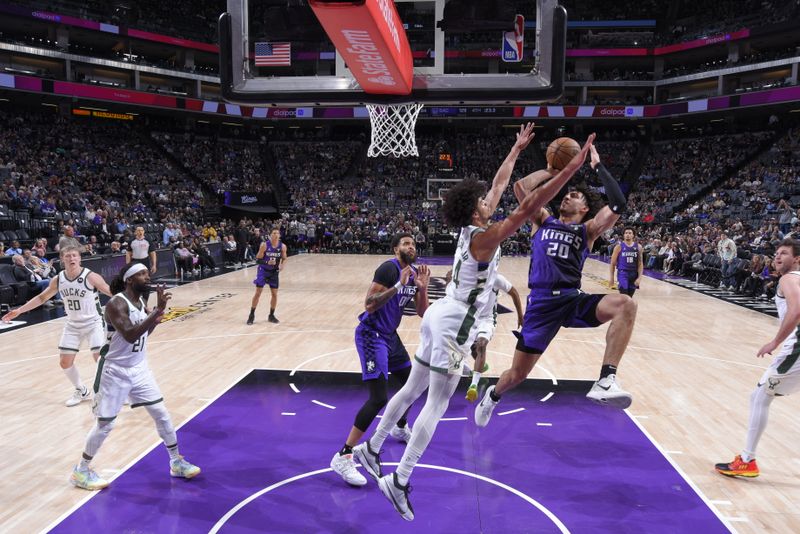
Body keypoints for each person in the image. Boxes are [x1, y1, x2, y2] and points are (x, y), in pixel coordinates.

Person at [358, 124, 586, 521]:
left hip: (443, 315)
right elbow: (525, 209)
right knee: (436, 403)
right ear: (475, 210)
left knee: (413, 387)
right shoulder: (484, 239)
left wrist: (515, 149)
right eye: (482, 200)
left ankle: (372, 446)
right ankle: (399, 480)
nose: (488, 200)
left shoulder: (472, 228)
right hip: (454, 322)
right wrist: (569, 170)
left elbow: (500, 185)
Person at [475, 141, 638, 432]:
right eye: (566, 194)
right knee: (517, 375)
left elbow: (618, 204)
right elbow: (520, 189)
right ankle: (493, 395)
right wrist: (550, 170)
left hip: (571, 298)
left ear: (585, 208)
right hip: (541, 304)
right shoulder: (543, 220)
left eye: (574, 196)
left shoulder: (588, 230)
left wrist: (597, 165)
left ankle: (606, 378)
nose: (567, 197)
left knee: (626, 304)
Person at [69, 263, 200, 490]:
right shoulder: (115, 303)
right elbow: (129, 335)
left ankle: (176, 461)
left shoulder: (140, 301)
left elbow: (143, 334)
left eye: (147, 273)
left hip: (139, 369)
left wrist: (155, 318)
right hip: (114, 372)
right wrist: (158, 312)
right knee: (105, 425)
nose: (147, 277)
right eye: (141, 274)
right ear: (130, 279)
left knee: (162, 414)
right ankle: (81, 471)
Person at [330, 233, 430, 487]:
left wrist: (423, 288)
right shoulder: (389, 269)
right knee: (379, 398)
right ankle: (344, 455)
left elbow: (422, 312)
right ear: (396, 248)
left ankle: (399, 425)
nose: (411, 247)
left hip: (390, 336)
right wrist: (398, 285)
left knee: (413, 384)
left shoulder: (415, 272)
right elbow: (369, 304)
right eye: (406, 243)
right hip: (371, 334)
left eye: (414, 244)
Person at [715, 239, 800, 478]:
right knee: (760, 397)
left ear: (797, 260)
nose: (777, 256)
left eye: (784, 253)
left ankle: (748, 460)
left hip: (797, 349)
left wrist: (775, 341)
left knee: (760, 397)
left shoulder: (788, 278)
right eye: (776, 252)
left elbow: (796, 311)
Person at [2, 246, 112, 406]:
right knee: (65, 362)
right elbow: (41, 298)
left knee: (100, 358)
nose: (72, 259)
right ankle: (81, 390)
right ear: (63, 259)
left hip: (93, 322)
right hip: (73, 325)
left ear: (80, 258)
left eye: (75, 256)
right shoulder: (59, 279)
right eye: (68, 256)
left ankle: (115, 391)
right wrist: (19, 310)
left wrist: (135, 305)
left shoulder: (91, 276)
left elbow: (110, 291)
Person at [247, 228, 287, 325]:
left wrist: (282, 265)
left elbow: (284, 258)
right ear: (270, 235)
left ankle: (271, 315)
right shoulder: (265, 245)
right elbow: (257, 260)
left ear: (280, 235)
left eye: (277, 233)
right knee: (258, 293)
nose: (276, 234)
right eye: (274, 233)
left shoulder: (282, 246)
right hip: (263, 271)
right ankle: (251, 315)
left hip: (274, 272)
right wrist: (267, 262)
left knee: (274, 294)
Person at [609, 227, 643, 297]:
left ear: (633, 235)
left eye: (630, 233)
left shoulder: (639, 247)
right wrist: (611, 278)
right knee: (624, 297)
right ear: (623, 235)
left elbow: (640, 264)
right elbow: (612, 264)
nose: (628, 235)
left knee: (629, 298)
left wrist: (639, 278)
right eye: (626, 233)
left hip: (634, 274)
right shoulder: (618, 247)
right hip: (623, 273)